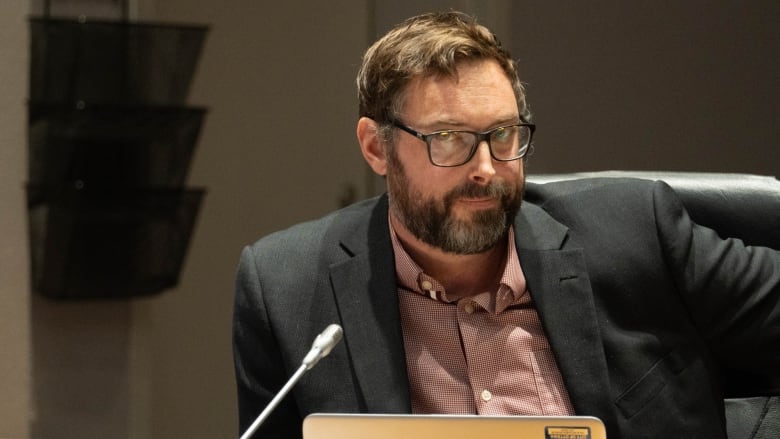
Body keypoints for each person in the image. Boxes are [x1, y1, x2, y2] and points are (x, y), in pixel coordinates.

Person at [232, 11, 780, 438]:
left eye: (504, 135)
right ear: (378, 148)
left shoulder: (634, 233)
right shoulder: (287, 288)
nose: (487, 169)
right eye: (448, 138)